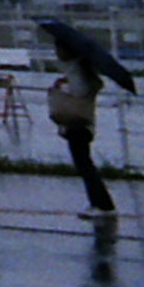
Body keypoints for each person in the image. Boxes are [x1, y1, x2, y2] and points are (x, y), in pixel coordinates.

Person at [51, 54, 118, 217]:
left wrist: (61, 87)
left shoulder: (77, 73)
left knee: (84, 165)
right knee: (85, 164)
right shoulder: (85, 74)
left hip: (77, 125)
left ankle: (102, 204)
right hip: (84, 124)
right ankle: (100, 203)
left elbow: (78, 92)